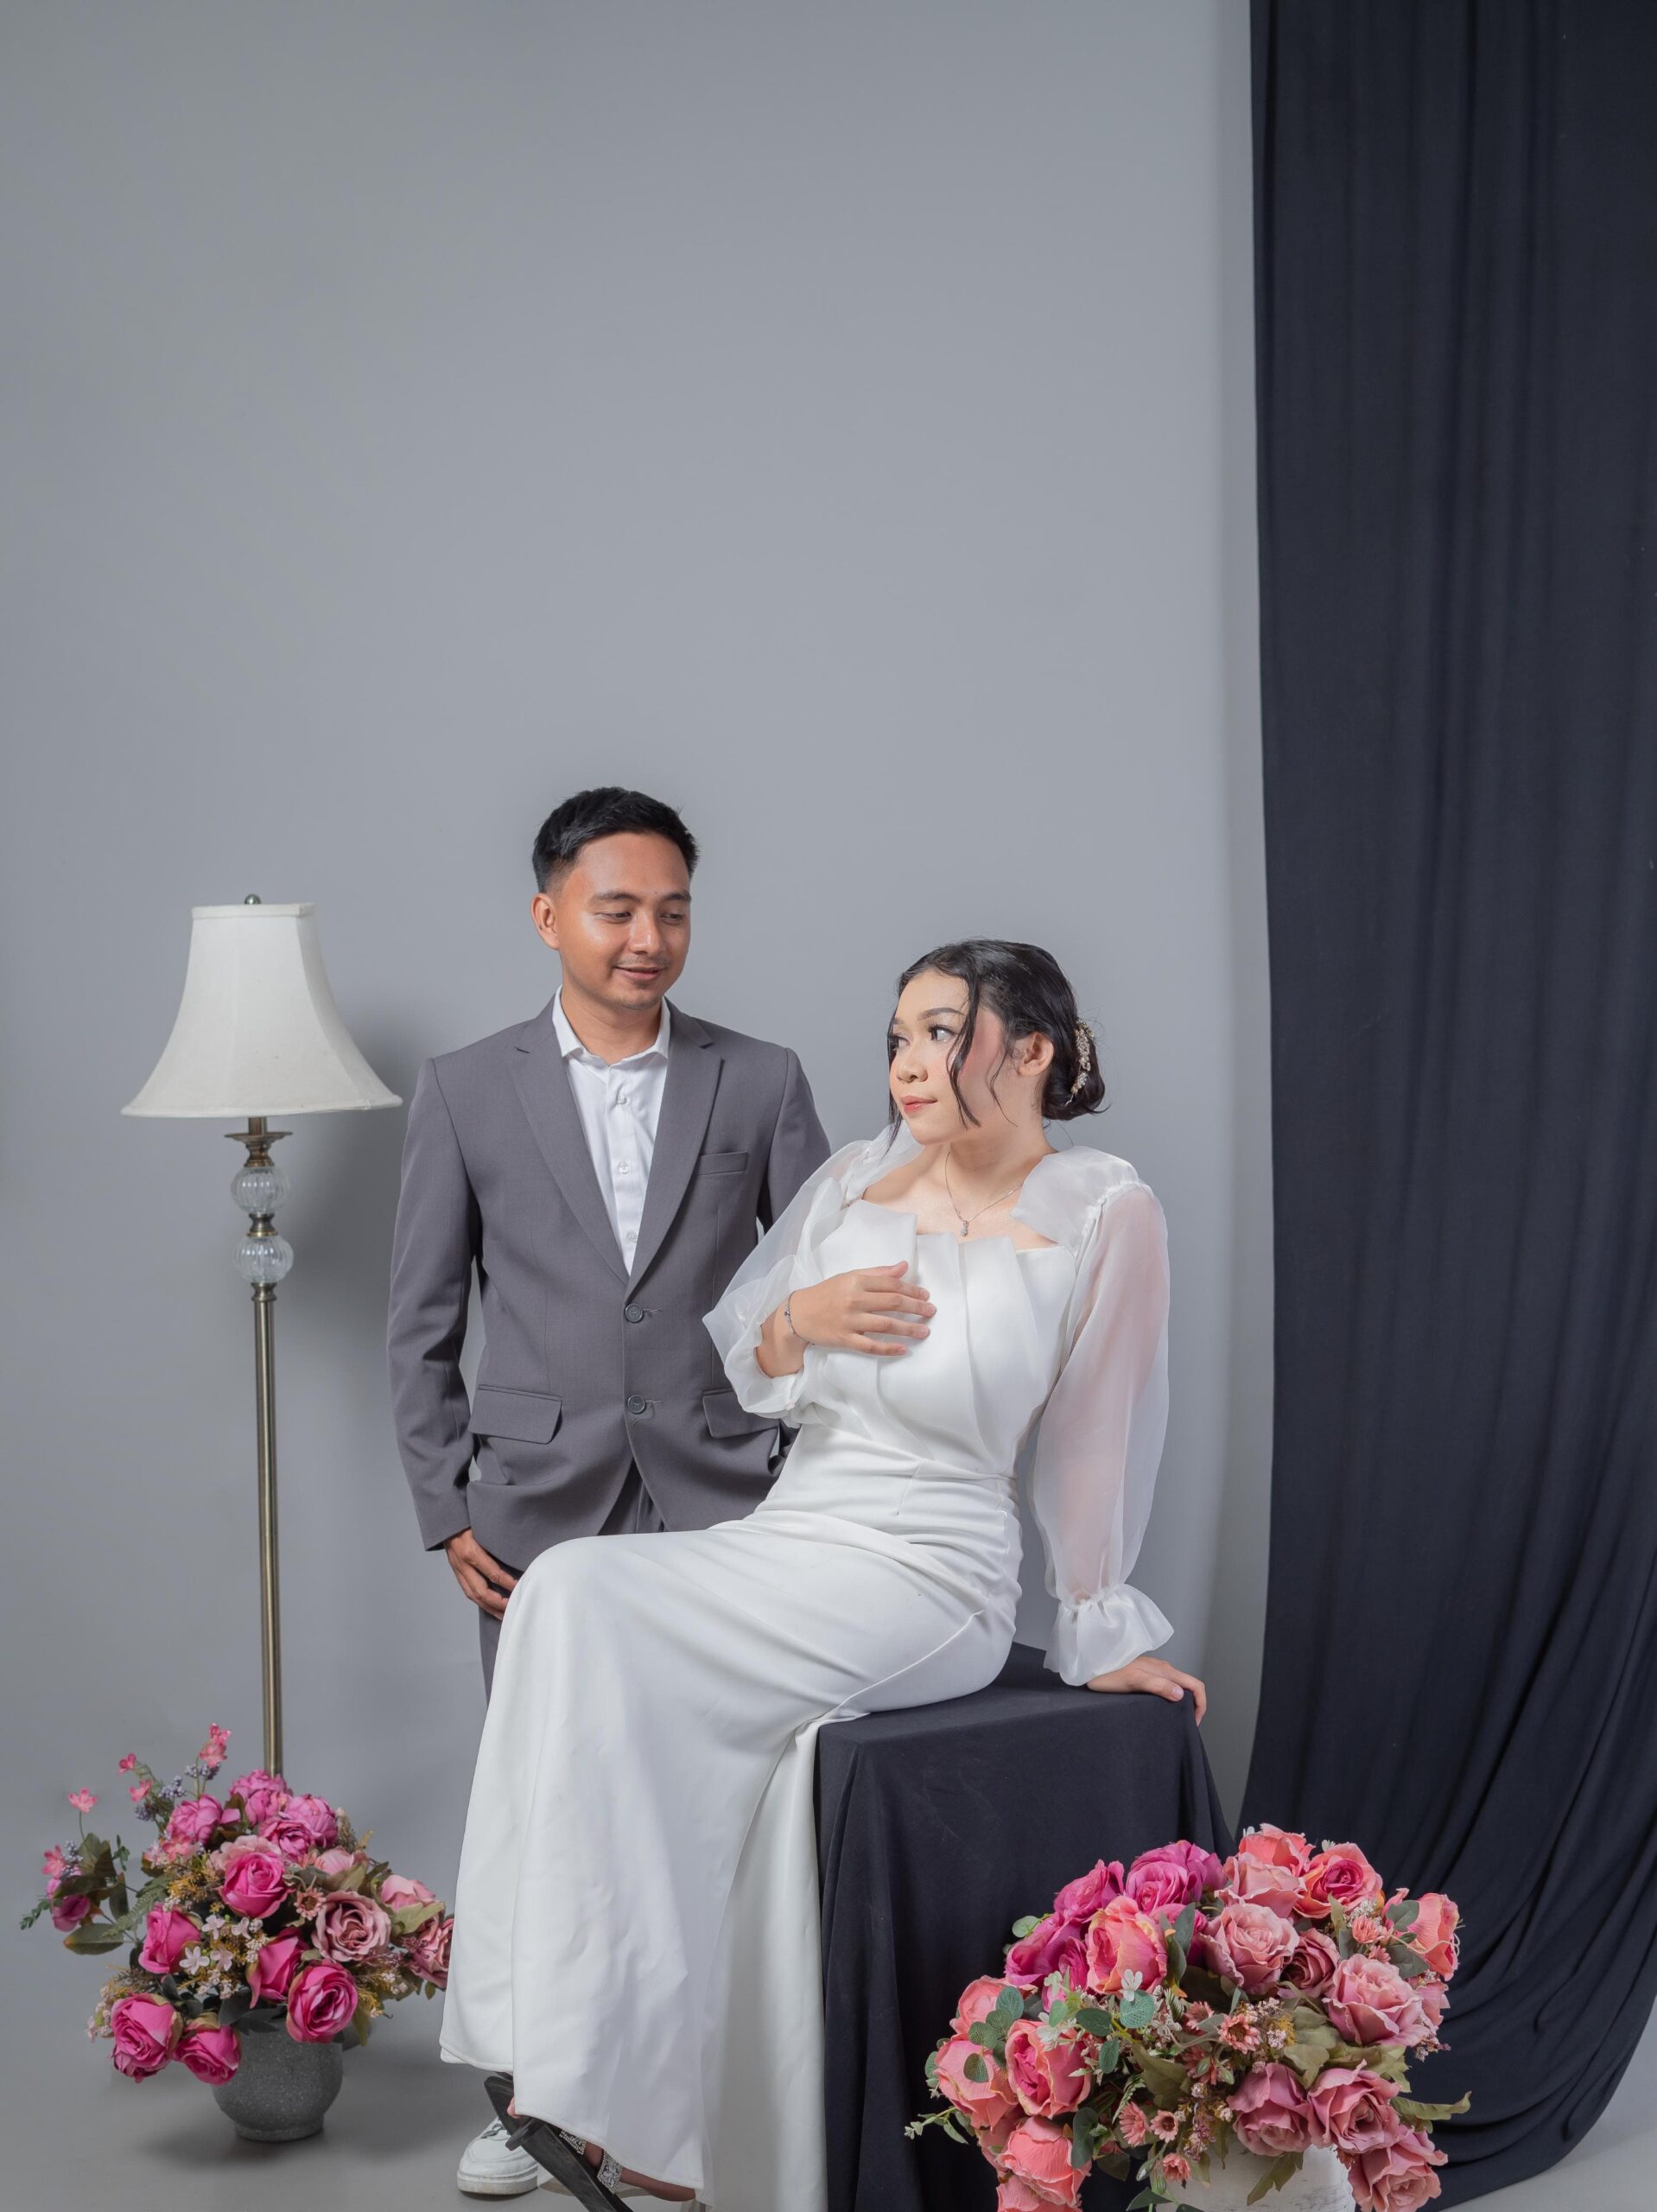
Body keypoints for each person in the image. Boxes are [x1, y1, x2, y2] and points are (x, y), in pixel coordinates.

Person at [439, 938, 1204, 2212]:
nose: (908, 1062)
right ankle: (562, 2049)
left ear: (1031, 1052)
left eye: (943, 1033)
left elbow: (1095, 1438)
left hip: (933, 1567)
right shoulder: (856, 1179)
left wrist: (1095, 1619)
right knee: (568, 1588)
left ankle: (646, 2103)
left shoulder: (1103, 1209)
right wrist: (804, 1318)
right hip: (795, 1529)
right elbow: (754, 1361)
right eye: (898, 1035)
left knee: (626, 1643)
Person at [387, 785, 830, 2199]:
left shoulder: (758, 1080)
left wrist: (804, 1481)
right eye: (618, 909)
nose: (649, 938)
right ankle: (530, 2098)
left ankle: (713, 2095)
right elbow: (419, 1323)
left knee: (727, 1806)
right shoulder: (466, 1087)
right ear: (549, 916)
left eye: (673, 911)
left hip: (725, 1497)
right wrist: (446, 1509)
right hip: (532, 1504)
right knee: (550, 1804)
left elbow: (817, 1297)